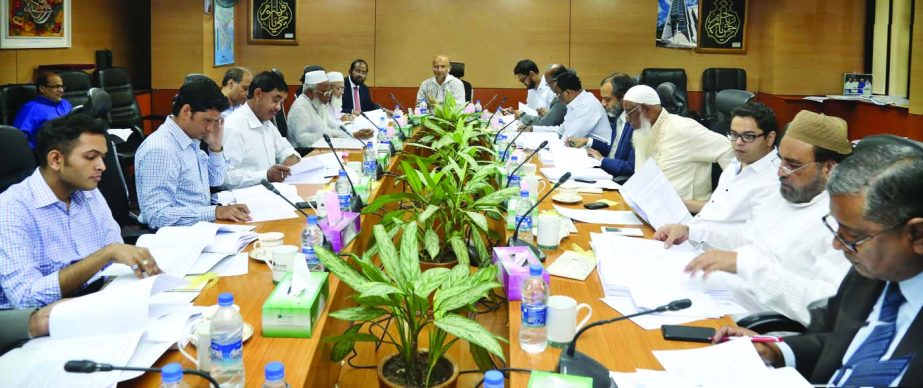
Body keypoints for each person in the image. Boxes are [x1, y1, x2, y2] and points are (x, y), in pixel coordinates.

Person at [715, 136, 923, 386]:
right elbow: (836, 342)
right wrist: (776, 351)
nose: (838, 244)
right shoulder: (869, 275)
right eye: (837, 228)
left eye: (854, 235)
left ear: (917, 235)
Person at [664, 111, 853, 325]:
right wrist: (693, 232)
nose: (780, 172)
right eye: (781, 160)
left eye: (792, 164)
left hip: (755, 322)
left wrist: (747, 266)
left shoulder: (843, 223)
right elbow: (746, 236)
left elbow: (825, 305)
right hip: (723, 294)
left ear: (828, 167)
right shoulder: (784, 195)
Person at [0, 114, 160, 309]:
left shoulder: (88, 192)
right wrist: (105, 254)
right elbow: (25, 299)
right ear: (56, 160)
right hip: (41, 323)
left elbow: (116, 256)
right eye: (91, 157)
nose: (102, 166)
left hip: (94, 302)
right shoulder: (12, 207)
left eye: (103, 156)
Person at [654, 102, 781, 249]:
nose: (738, 143)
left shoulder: (774, 180)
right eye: (734, 135)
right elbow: (720, 209)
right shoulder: (736, 164)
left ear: (770, 138)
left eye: (749, 136)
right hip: (691, 242)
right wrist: (681, 209)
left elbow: (753, 238)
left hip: (718, 258)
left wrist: (691, 232)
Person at [135, 79, 251, 229]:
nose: (210, 128)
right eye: (207, 120)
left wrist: (215, 147)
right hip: (178, 239)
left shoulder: (190, 139)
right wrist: (215, 212)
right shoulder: (161, 150)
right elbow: (157, 216)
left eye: (215, 121)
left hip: (201, 229)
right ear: (186, 111)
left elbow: (215, 180)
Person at [623, 84, 733, 200]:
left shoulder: (684, 129)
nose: (626, 119)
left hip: (687, 212)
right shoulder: (642, 132)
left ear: (646, 109)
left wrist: (724, 200)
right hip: (648, 207)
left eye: (629, 112)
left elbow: (727, 148)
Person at [222, 71, 300, 189]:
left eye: (281, 103)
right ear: (258, 94)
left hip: (270, 192)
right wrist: (265, 175)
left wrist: (291, 158)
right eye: (275, 100)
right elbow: (224, 177)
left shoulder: (266, 123)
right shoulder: (234, 127)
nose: (278, 107)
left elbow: (285, 148)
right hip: (244, 199)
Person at [566, 73, 639, 179]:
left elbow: (631, 167)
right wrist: (587, 141)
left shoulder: (636, 125)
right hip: (605, 171)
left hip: (616, 180)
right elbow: (613, 149)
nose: (603, 103)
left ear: (623, 98)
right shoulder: (618, 117)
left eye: (608, 99)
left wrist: (602, 160)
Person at [526, 70, 610, 141]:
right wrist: (533, 129)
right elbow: (562, 130)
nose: (557, 98)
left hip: (597, 155)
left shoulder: (587, 105)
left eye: (558, 94)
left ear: (568, 93)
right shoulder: (574, 103)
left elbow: (568, 139)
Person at [13, 71, 73, 148]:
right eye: (56, 87)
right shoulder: (30, 109)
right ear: (42, 89)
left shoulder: (65, 104)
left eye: (62, 86)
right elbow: (19, 139)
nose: (61, 90)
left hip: (69, 147)